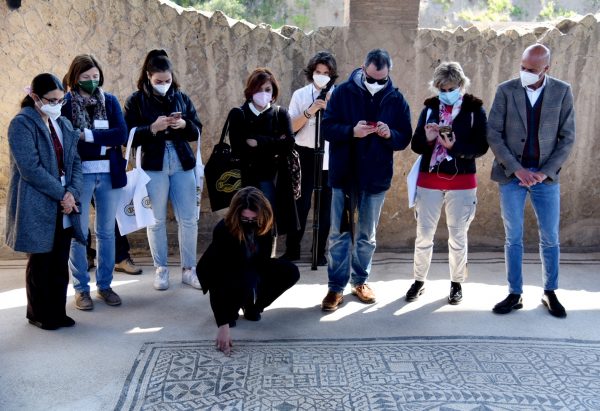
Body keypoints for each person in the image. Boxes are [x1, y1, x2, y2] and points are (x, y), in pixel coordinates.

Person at [487, 44, 575, 318]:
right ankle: (515, 293)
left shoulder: (562, 91)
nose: (524, 72)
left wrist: (544, 172)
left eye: (532, 70)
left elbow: (567, 137)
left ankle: (550, 292)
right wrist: (516, 169)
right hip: (512, 175)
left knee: (550, 236)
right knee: (513, 237)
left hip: (546, 178)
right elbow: (493, 132)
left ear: (546, 69)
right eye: (523, 67)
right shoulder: (505, 90)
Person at [320, 49, 412, 311]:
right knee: (339, 234)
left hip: (375, 177)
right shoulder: (341, 93)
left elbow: (404, 136)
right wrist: (352, 131)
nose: (376, 83)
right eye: (372, 78)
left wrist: (388, 133)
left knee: (367, 236)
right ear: (363, 69)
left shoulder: (396, 99)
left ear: (388, 75)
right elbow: (327, 128)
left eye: (381, 79)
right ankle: (335, 288)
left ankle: (360, 281)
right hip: (344, 176)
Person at [405, 62, 488, 305]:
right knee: (424, 234)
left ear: (460, 85)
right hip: (429, 179)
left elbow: (482, 146)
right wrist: (429, 139)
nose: (445, 92)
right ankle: (419, 281)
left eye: (450, 88)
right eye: (441, 88)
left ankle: (456, 283)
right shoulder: (430, 108)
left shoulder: (474, 109)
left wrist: (455, 148)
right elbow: (416, 145)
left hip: (462, 182)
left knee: (458, 235)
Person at [5, 73, 82, 329]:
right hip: (37, 200)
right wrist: (63, 195)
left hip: (64, 201)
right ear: (36, 97)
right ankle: (38, 314)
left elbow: (75, 161)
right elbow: (30, 168)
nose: (58, 105)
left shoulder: (63, 123)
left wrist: (72, 192)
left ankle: (57, 311)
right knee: (41, 260)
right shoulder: (22, 124)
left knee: (60, 259)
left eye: (61, 100)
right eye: (52, 100)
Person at [124, 49, 203, 290]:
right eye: (159, 81)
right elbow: (128, 137)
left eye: (167, 81)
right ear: (148, 76)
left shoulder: (181, 97)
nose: (164, 85)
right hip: (154, 165)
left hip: (182, 162)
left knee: (189, 218)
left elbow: (197, 129)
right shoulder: (135, 100)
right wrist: (152, 128)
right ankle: (161, 269)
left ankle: (189, 269)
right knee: (155, 219)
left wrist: (184, 124)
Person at [197, 187, 300, 356]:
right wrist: (222, 324)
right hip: (226, 275)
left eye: (254, 219)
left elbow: (263, 263)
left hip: (251, 269)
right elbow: (216, 276)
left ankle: (252, 306)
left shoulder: (265, 224)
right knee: (232, 310)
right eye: (245, 219)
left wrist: (256, 291)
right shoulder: (224, 230)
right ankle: (234, 308)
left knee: (290, 271)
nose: (250, 223)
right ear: (236, 215)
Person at [62, 55, 128, 310]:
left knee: (106, 231)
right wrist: (103, 138)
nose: (92, 81)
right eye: (86, 77)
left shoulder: (109, 101)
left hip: (108, 172)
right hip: (80, 174)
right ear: (75, 77)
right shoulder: (67, 104)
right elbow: (69, 139)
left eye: (95, 76)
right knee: (79, 233)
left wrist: (87, 135)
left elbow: (120, 134)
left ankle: (105, 285)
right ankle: (81, 289)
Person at [227, 67, 297, 249]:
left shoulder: (280, 114)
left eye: (268, 90)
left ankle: (267, 257)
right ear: (251, 91)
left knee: (268, 222)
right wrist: (275, 141)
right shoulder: (238, 114)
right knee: (245, 221)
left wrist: (259, 141)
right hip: (246, 179)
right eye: (259, 89)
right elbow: (238, 146)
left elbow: (289, 143)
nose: (264, 94)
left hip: (271, 178)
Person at [282, 51, 338, 266]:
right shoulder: (301, 94)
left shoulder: (337, 95)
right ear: (311, 72)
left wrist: (330, 108)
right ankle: (292, 249)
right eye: (318, 72)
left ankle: (319, 251)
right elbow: (290, 129)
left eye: (326, 73)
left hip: (327, 155)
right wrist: (309, 112)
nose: (321, 76)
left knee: (325, 206)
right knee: (300, 203)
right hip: (304, 153)